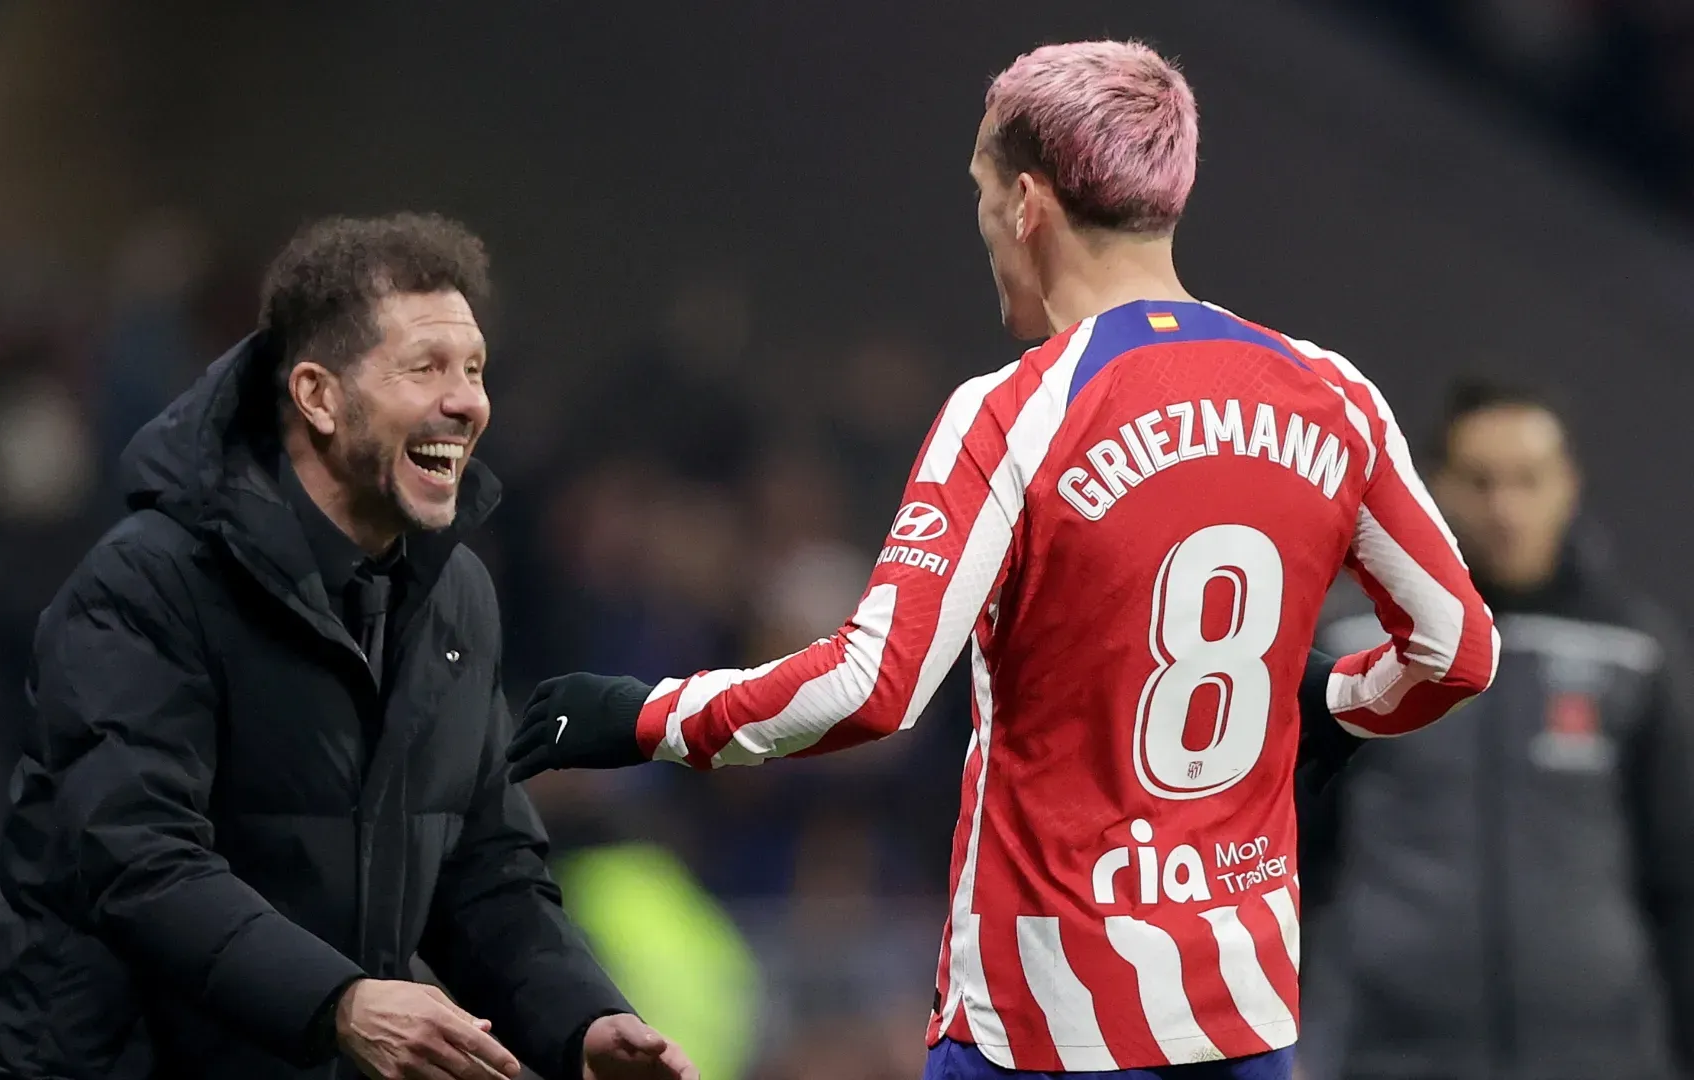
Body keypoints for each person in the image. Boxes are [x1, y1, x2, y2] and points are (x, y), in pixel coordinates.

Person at [506, 40, 1497, 1079]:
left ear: (1026, 203)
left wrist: (642, 715)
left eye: (981, 193)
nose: (983, 223)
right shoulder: (1331, 393)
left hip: (1043, 1027)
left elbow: (873, 687)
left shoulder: (1016, 413)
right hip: (1242, 1022)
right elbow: (1456, 650)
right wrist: (1336, 705)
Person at [0, 213, 698, 1080]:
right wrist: (340, 1003)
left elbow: (484, 869)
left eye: (473, 369)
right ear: (317, 396)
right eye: (425, 368)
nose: (467, 401)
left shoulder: (457, 598)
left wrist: (581, 1020)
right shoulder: (148, 583)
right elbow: (139, 863)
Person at [1299, 380, 1694, 1080]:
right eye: (1481, 482)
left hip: (1600, 1056)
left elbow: (1678, 872)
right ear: (1436, 487)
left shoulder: (1635, 652)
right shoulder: (1354, 646)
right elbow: (1293, 861)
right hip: (1386, 1054)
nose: (1505, 509)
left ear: (1568, 485)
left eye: (1528, 480)